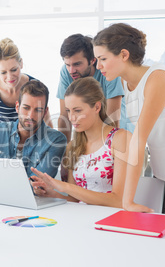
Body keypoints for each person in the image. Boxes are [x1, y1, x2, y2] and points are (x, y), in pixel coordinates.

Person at [93, 23, 165, 217]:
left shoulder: (157, 78)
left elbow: (139, 139)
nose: (98, 65)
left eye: (102, 59)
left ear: (124, 55)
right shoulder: (125, 81)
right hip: (162, 169)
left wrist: (127, 201)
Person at [30, 77, 131, 208]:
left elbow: (118, 200)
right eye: (68, 110)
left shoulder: (120, 138)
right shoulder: (74, 146)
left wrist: (64, 186)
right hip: (81, 218)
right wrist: (50, 192)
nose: (71, 118)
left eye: (77, 110)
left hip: (110, 219)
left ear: (97, 107)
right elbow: (74, 199)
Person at [0, 80, 67, 192]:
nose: (30, 116)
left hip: (32, 205)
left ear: (45, 112)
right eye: (26, 108)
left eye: (38, 110)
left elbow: (38, 184)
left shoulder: (56, 140)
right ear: (17, 107)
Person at [56, 34, 134, 144]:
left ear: (93, 60)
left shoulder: (108, 70)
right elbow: (64, 115)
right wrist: (62, 151)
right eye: (67, 64)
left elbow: (112, 117)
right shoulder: (66, 71)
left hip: (120, 133)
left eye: (77, 64)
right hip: (90, 135)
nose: (71, 70)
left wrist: (108, 150)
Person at [0, 38, 52, 137]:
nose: (10, 77)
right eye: (3, 72)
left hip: (31, 144)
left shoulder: (35, 85)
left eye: (14, 70)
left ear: (21, 63)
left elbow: (48, 125)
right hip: (1, 144)